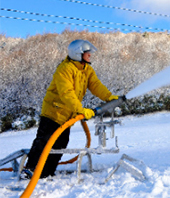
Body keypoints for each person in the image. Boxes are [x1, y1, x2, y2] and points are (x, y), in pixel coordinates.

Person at [20, 39, 119, 180]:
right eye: (87, 52)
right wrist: (81, 110)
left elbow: (96, 85)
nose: (90, 54)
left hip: (67, 116)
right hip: (53, 112)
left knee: (61, 143)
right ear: (78, 54)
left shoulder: (87, 69)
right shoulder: (65, 69)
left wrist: (109, 97)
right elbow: (66, 93)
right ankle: (30, 169)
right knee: (44, 140)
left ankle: (47, 172)